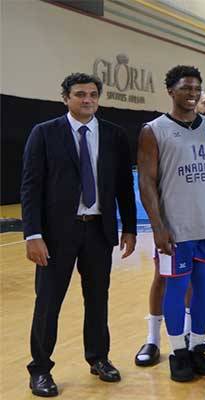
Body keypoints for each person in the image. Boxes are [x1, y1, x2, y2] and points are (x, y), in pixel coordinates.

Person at [22, 72, 137, 397]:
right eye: (79, 94)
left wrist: (128, 226)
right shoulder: (44, 133)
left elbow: (123, 186)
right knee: (48, 302)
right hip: (56, 234)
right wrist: (33, 234)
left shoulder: (114, 135)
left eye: (92, 94)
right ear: (66, 98)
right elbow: (30, 186)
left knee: (98, 300)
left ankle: (99, 358)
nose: (87, 99)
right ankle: (40, 370)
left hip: (98, 230)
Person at [136, 65, 205, 381]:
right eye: (186, 88)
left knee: (204, 286)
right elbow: (147, 183)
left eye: (197, 88)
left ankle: (196, 346)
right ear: (170, 91)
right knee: (176, 287)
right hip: (175, 228)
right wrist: (158, 226)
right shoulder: (154, 130)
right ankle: (177, 351)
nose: (192, 94)